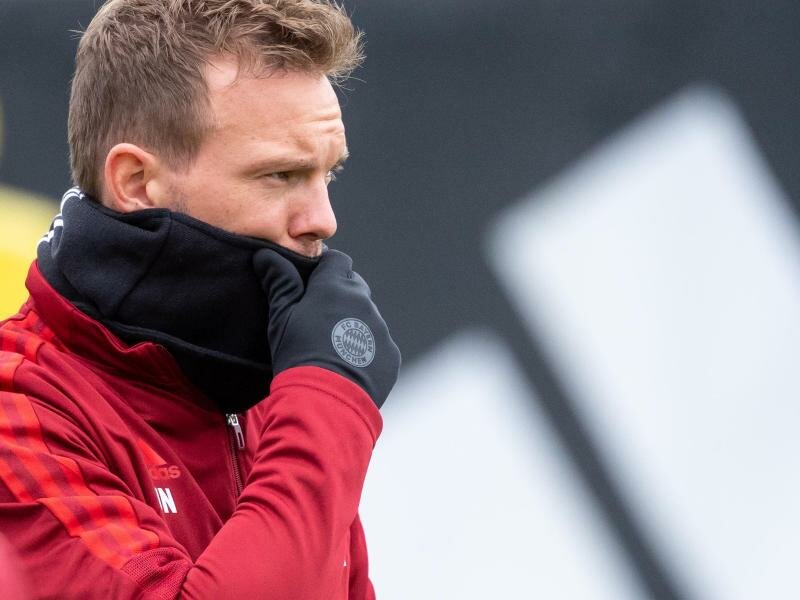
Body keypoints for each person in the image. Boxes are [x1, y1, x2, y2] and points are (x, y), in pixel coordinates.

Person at [0, 1, 400, 598]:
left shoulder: (271, 399)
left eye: (327, 176)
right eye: (280, 176)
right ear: (136, 182)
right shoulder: (19, 415)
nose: (323, 219)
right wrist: (329, 400)